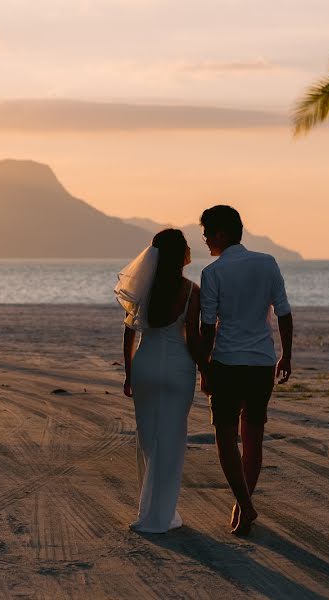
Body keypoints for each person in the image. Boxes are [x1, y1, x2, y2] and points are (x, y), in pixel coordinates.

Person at [198, 205, 293, 536]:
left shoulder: (212, 273)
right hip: (261, 364)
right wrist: (286, 355)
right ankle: (243, 505)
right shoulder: (267, 264)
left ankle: (246, 504)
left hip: (227, 364)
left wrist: (204, 367)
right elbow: (283, 312)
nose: (206, 240)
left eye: (207, 234)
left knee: (225, 437)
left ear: (222, 234)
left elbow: (207, 326)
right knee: (253, 438)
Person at [115, 229, 205, 533]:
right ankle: (162, 515)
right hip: (178, 369)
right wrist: (206, 368)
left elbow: (129, 333)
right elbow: (193, 339)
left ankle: (149, 511)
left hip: (146, 366)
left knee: (148, 439)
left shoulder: (144, 290)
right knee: (172, 441)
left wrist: (129, 373)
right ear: (181, 255)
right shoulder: (192, 291)